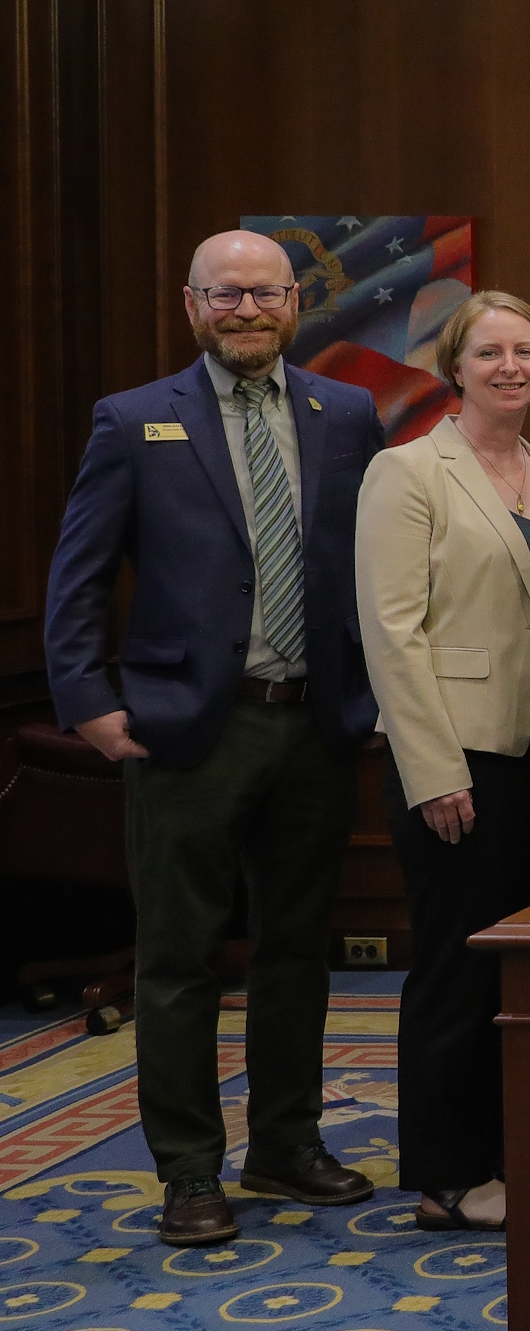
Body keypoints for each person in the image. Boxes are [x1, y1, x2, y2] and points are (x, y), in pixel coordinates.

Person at [42, 230, 385, 1245]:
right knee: (180, 956)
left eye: (266, 292)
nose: (247, 309)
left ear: (293, 303)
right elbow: (80, 574)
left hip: (314, 726)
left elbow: (374, 564)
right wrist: (87, 698)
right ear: (192, 305)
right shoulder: (135, 418)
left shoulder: (348, 414)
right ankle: (189, 1167)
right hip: (188, 726)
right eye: (225, 293)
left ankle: (287, 1139)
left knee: (296, 951)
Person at [355, 291, 530, 1233]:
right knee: (458, 969)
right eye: (489, 352)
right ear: (454, 367)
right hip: (464, 760)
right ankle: (448, 1174)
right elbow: (390, 631)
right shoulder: (406, 473)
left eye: (526, 352)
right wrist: (434, 769)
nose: (509, 367)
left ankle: (514, 1149)